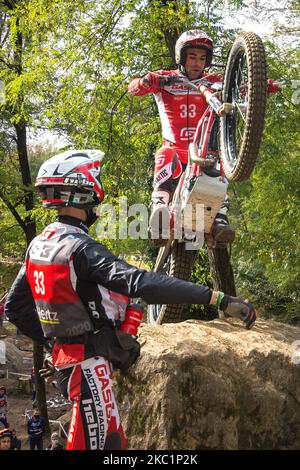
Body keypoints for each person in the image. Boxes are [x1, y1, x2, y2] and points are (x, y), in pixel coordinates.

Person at [5, 150, 257, 450]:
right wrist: (217, 298)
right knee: (104, 445)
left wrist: (55, 343)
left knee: (112, 444)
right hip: (89, 369)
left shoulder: (39, 244)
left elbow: (15, 308)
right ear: (86, 193)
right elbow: (141, 282)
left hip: (71, 364)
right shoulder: (81, 249)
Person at [128, 29, 235, 244]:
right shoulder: (165, 79)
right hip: (175, 149)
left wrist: (265, 84)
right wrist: (146, 81)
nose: (197, 63)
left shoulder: (213, 81)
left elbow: (244, 85)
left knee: (221, 161)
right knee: (165, 153)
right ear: (181, 57)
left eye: (203, 58)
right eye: (192, 57)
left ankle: (219, 220)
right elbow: (133, 88)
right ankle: (159, 210)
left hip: (204, 150)